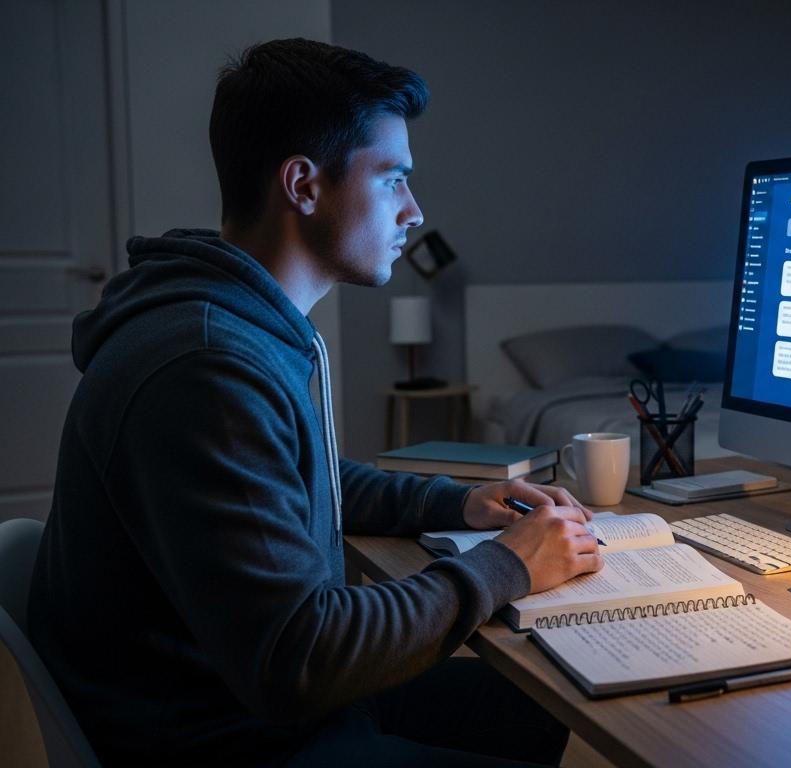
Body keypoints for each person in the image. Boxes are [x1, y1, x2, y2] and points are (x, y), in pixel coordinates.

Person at [28, 38, 602, 766]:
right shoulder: (205, 366)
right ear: (302, 184)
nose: (414, 211)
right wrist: (507, 565)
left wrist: (456, 503)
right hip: (218, 736)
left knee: (546, 705)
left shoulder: (234, 324)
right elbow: (302, 658)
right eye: (393, 179)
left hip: (241, 700)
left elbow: (291, 482)